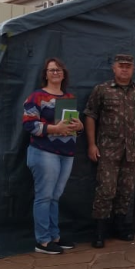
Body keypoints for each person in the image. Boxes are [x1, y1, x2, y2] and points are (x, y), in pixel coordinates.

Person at [85, 53, 135, 248]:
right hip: (108, 151)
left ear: (133, 69)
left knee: (126, 191)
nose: (124, 69)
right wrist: (92, 144)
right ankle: (100, 231)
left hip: (132, 151)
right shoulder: (102, 90)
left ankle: (120, 226)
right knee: (106, 190)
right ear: (114, 68)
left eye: (128, 66)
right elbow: (90, 116)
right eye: (121, 66)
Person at [23, 58, 84, 254]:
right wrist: (54, 128)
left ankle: (54, 236)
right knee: (44, 197)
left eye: (58, 70)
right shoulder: (36, 97)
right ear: (46, 74)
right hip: (44, 152)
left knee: (55, 197)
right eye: (51, 70)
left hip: (66, 153)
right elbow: (28, 124)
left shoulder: (69, 97)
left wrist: (79, 126)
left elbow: (72, 126)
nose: (55, 72)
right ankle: (42, 241)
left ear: (64, 74)